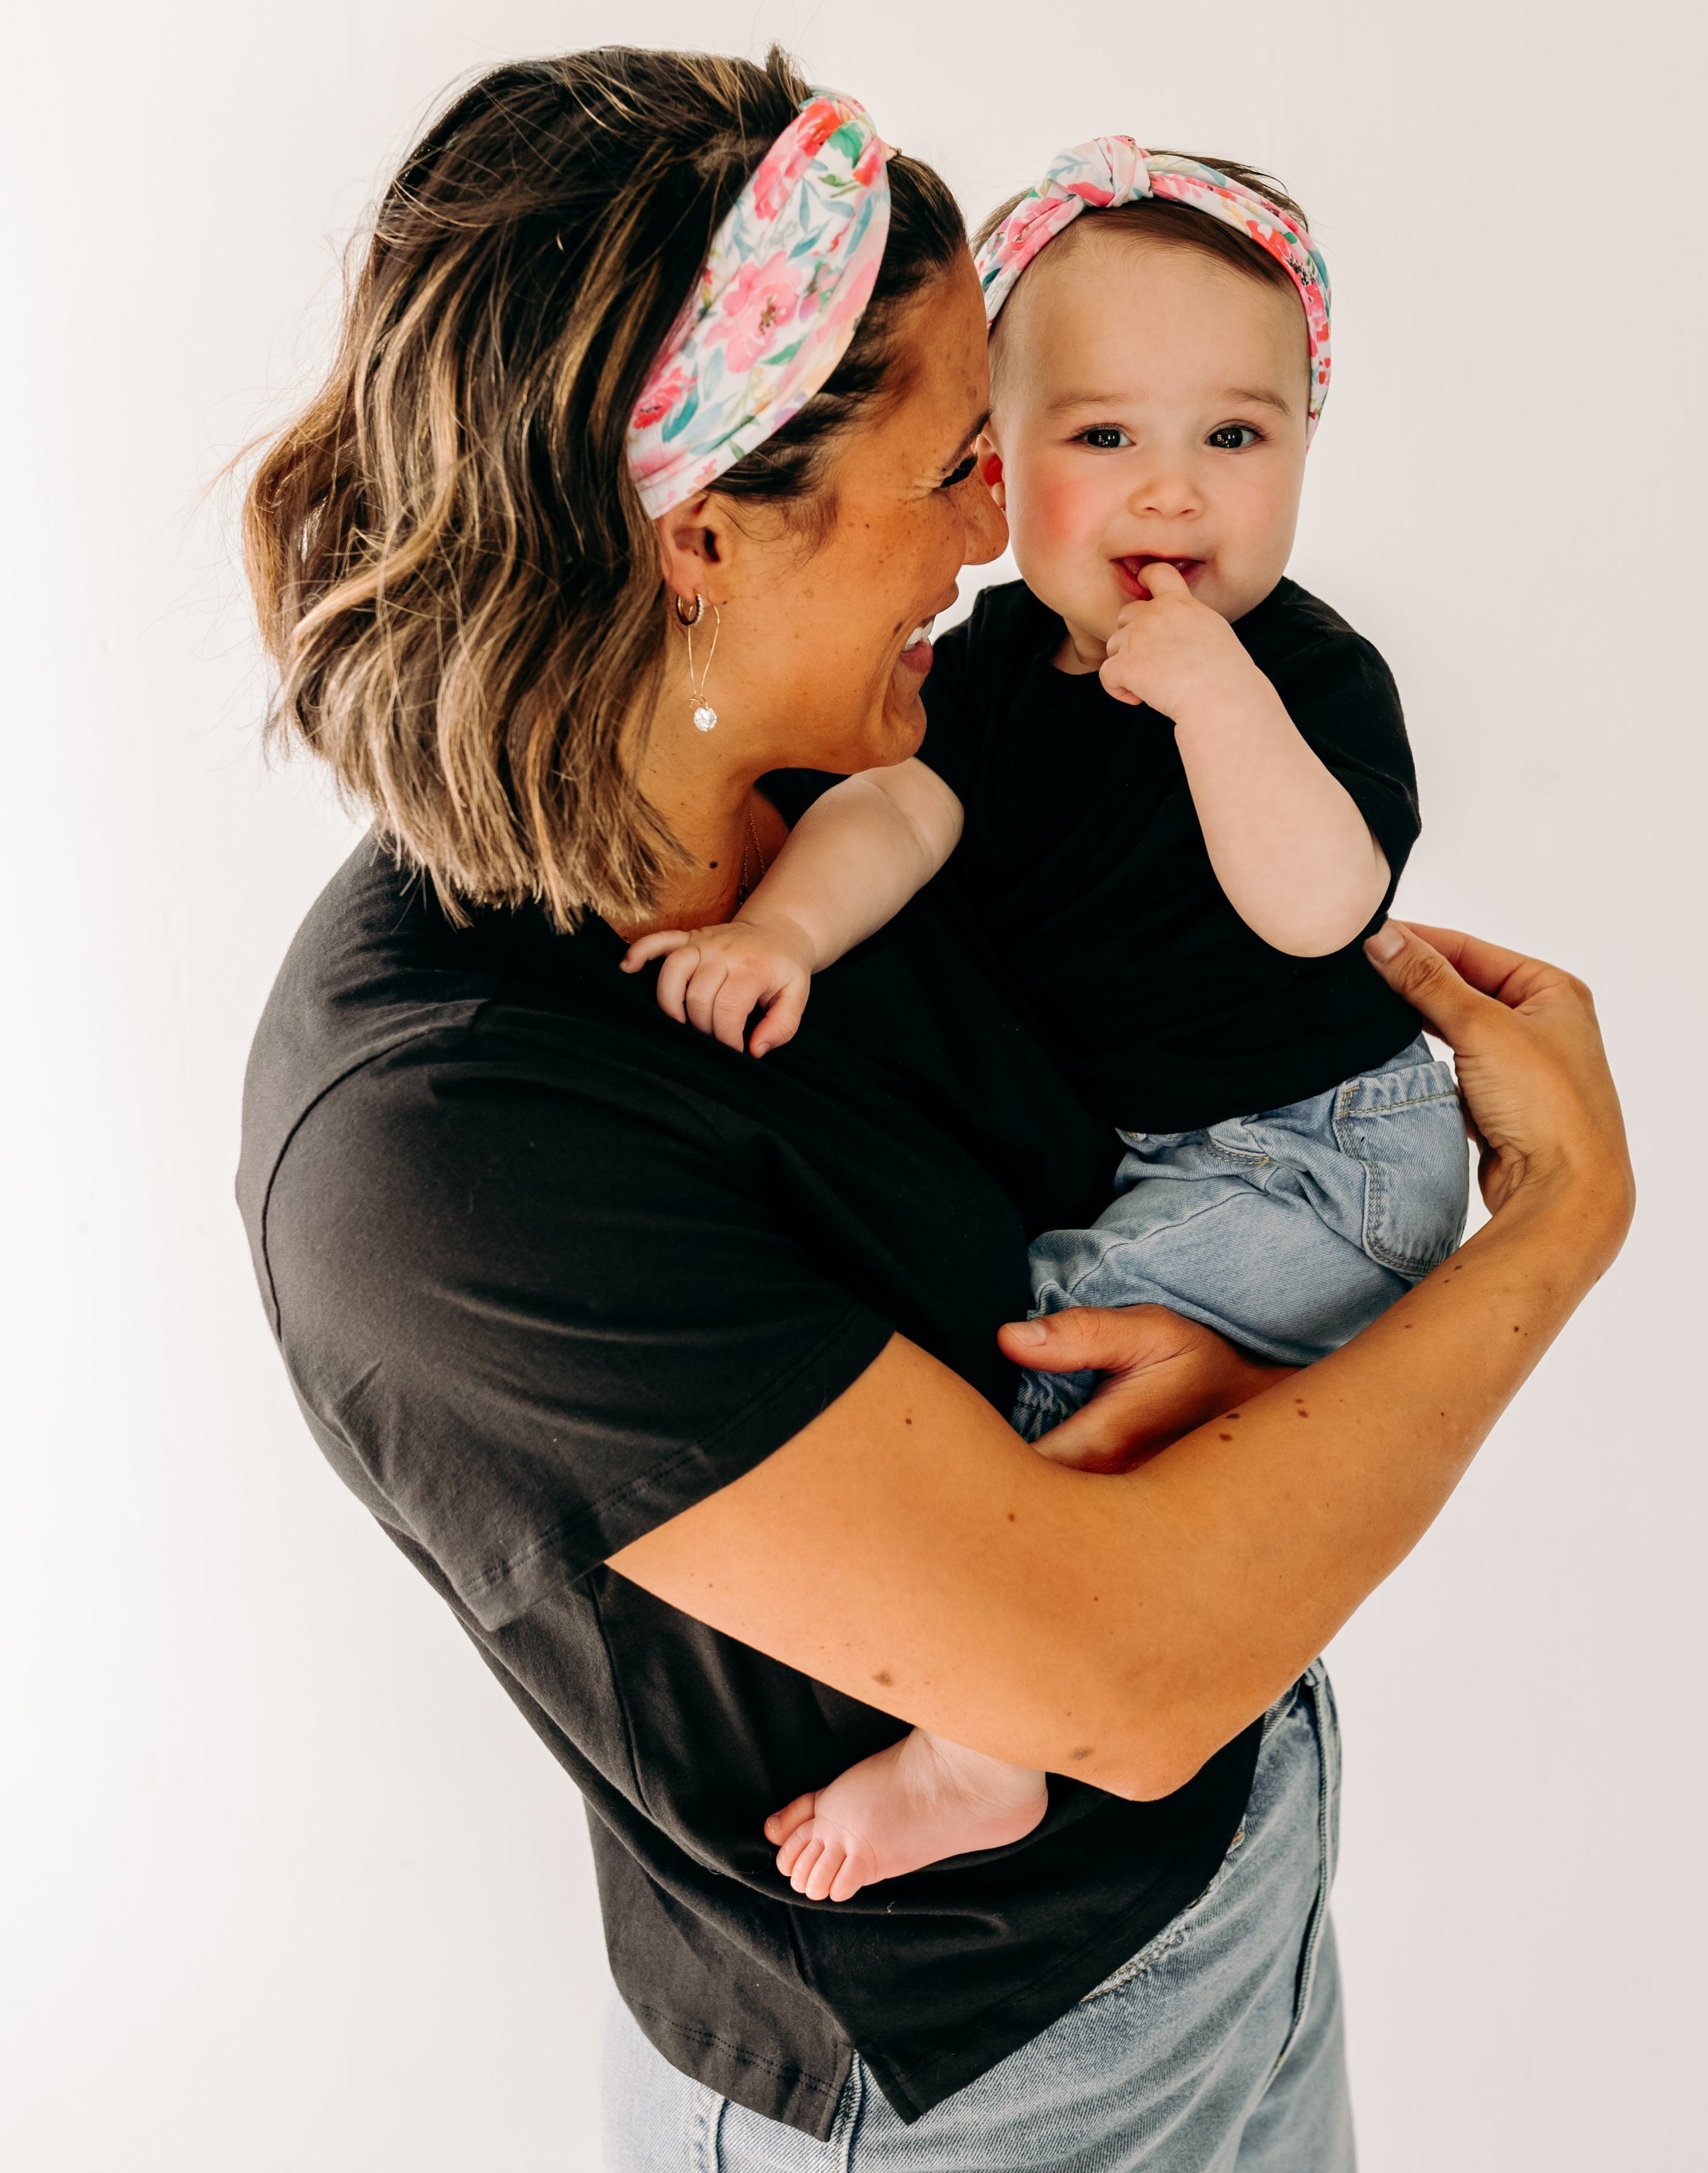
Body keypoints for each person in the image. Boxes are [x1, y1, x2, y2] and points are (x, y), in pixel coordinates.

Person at [236, 43, 1632, 2171]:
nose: (1005, 530)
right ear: (706, 535)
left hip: (1243, 1890)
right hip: (973, 2091)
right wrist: (1561, 1220)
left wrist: (1259, 1392)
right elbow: (1124, 1672)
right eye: (956, 465)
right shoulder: (442, 1144)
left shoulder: (847, 793)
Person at [625, 138, 1474, 1903]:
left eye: (1236, 436)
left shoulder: (1306, 676)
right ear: (997, 466)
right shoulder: (995, 667)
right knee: (1059, 1355)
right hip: (1173, 1153)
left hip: (1320, 1155)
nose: (1174, 490)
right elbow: (896, 810)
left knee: (1067, 1352)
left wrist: (1221, 708)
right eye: (1103, 437)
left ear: (1307, 452)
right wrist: (782, 930)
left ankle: (981, 1756)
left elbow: (1320, 906)